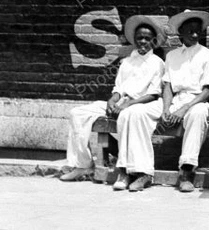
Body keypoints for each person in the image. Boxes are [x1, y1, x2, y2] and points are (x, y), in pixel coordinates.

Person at [59, 15, 165, 192]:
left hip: (142, 104)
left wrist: (127, 105)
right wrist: (112, 100)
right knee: (78, 113)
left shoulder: (157, 63)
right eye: (139, 38)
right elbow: (118, 89)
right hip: (122, 103)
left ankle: (124, 171)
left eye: (147, 38)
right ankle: (83, 164)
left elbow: (153, 94)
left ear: (153, 41)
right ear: (134, 40)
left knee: (127, 115)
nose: (143, 42)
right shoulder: (127, 62)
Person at [161, 9, 209, 193]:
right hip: (175, 101)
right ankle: (137, 170)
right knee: (137, 113)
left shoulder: (208, 55)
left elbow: (207, 90)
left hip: (196, 102)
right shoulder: (172, 56)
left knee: (198, 113)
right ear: (180, 32)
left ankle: (186, 170)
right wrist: (165, 109)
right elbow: (168, 86)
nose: (194, 34)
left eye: (198, 30)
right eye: (190, 30)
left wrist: (184, 108)